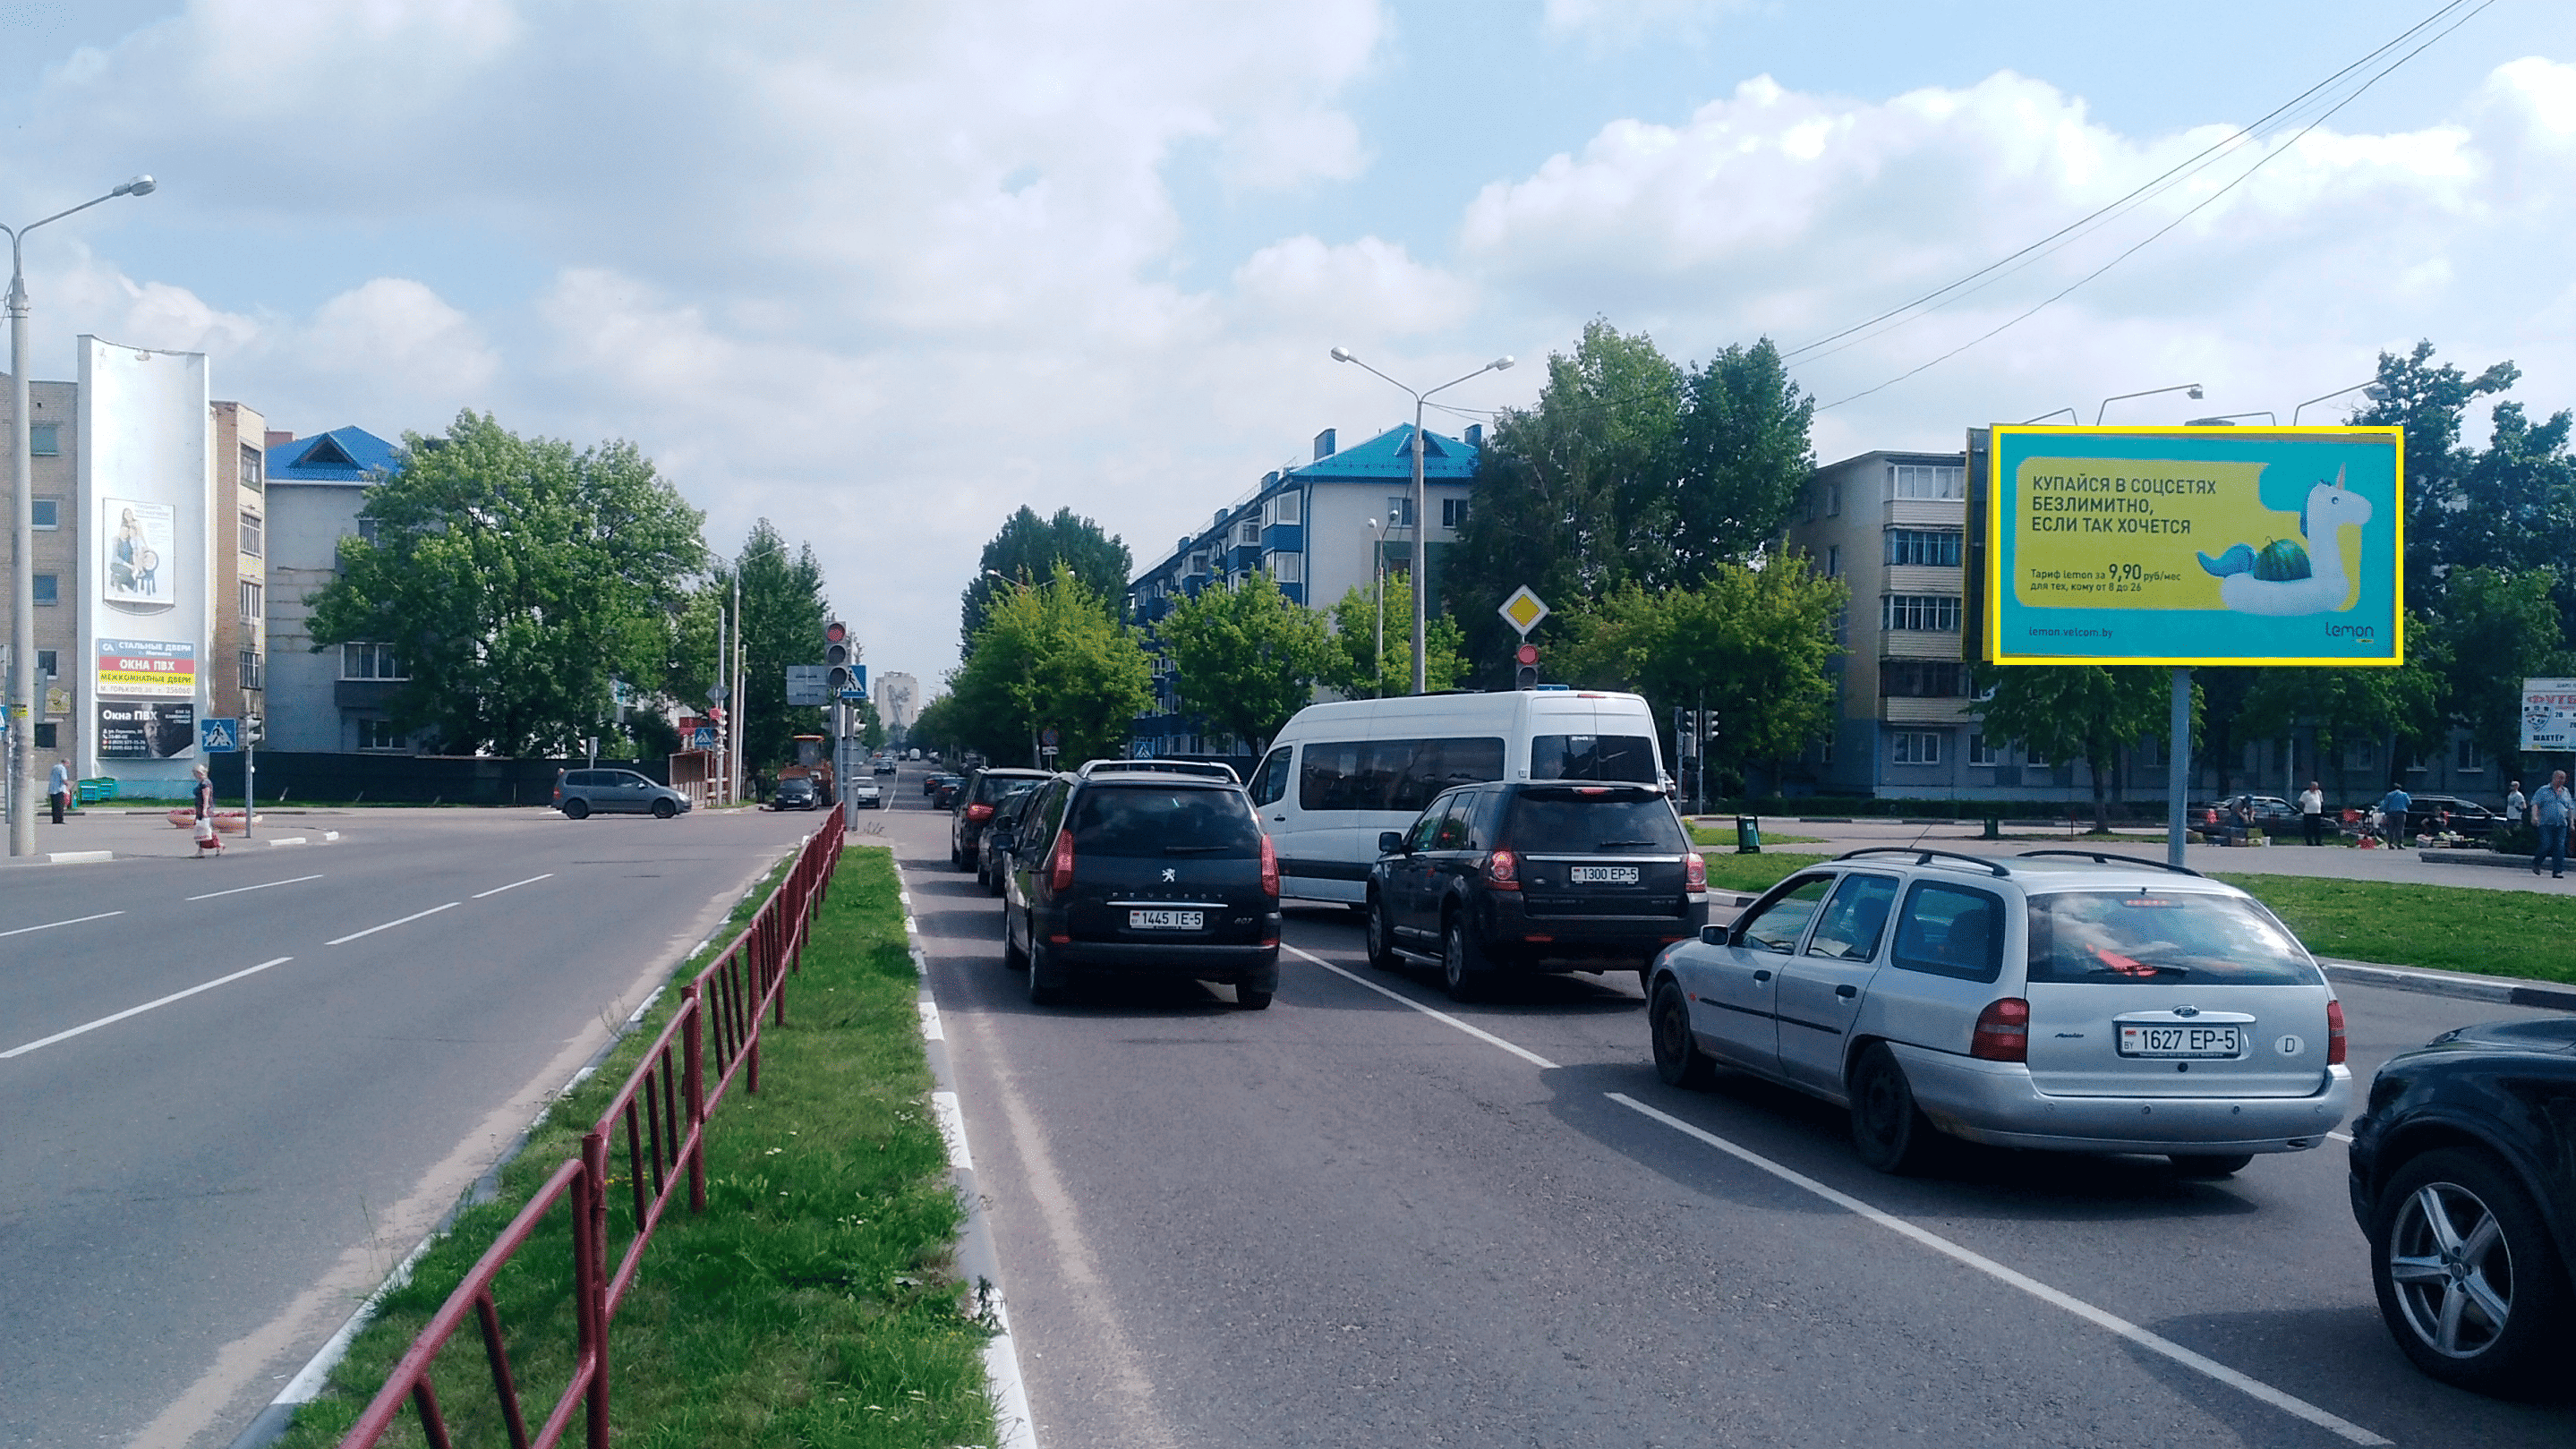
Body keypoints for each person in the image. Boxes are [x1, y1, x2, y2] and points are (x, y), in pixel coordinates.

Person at [2533, 771, 2574, 879]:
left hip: (2561, 824)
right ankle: (2537, 862)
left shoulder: (2566, 792)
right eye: (2559, 778)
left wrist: (2572, 823)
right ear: (2553, 778)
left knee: (2560, 847)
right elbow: (2535, 804)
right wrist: (2534, 816)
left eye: (2563, 778)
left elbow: (2569, 809)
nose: (2561, 780)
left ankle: (2557, 871)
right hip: (2546, 823)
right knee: (2546, 844)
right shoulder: (2543, 790)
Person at [192, 764, 222, 857]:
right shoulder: (203, 783)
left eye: (197, 773)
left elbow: (206, 797)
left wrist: (205, 810)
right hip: (200, 809)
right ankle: (201, 851)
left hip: (205, 810)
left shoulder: (205, 783)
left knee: (206, 830)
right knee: (201, 830)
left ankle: (218, 846)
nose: (196, 775)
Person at [2378, 781, 2412, 849]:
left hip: (2391, 813)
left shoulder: (2389, 795)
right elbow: (2409, 803)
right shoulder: (2404, 794)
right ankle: (2400, 844)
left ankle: (2390, 843)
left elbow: (2385, 805)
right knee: (2400, 829)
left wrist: (2384, 811)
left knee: (2390, 829)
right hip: (2401, 813)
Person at [2299, 780, 2324, 847]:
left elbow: (2321, 801)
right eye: (2314, 787)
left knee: (2317, 829)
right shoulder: (2306, 793)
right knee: (2309, 828)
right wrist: (2305, 809)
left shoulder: (2319, 793)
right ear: (2311, 787)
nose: (2315, 788)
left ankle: (2318, 842)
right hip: (2308, 813)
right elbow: (2301, 802)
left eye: (2316, 787)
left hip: (2317, 813)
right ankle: (2309, 842)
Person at [47, 756, 72, 825]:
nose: (68, 766)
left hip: (52, 789)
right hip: (59, 789)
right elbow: (64, 779)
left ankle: (54, 820)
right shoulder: (62, 768)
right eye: (68, 764)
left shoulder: (54, 767)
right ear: (65, 763)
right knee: (60, 806)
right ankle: (60, 820)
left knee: (54, 806)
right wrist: (68, 785)